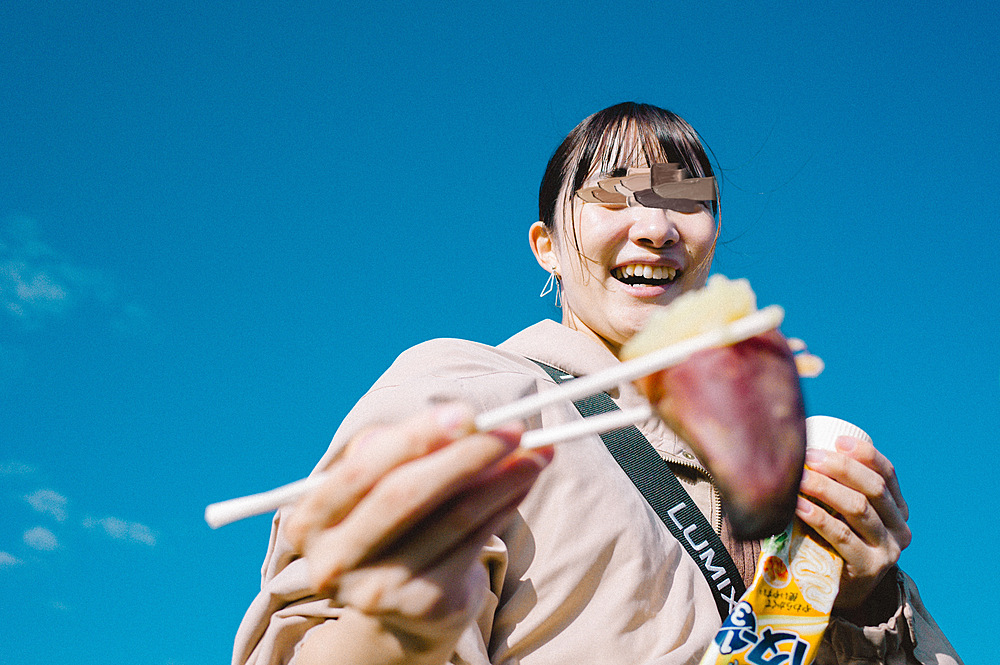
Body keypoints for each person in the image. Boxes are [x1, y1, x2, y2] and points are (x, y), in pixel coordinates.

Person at [232, 103, 962, 665]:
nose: (657, 226)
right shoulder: (478, 396)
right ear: (547, 247)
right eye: (613, 195)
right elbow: (315, 634)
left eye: (687, 198)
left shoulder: (774, 476)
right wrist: (385, 631)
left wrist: (866, 602)